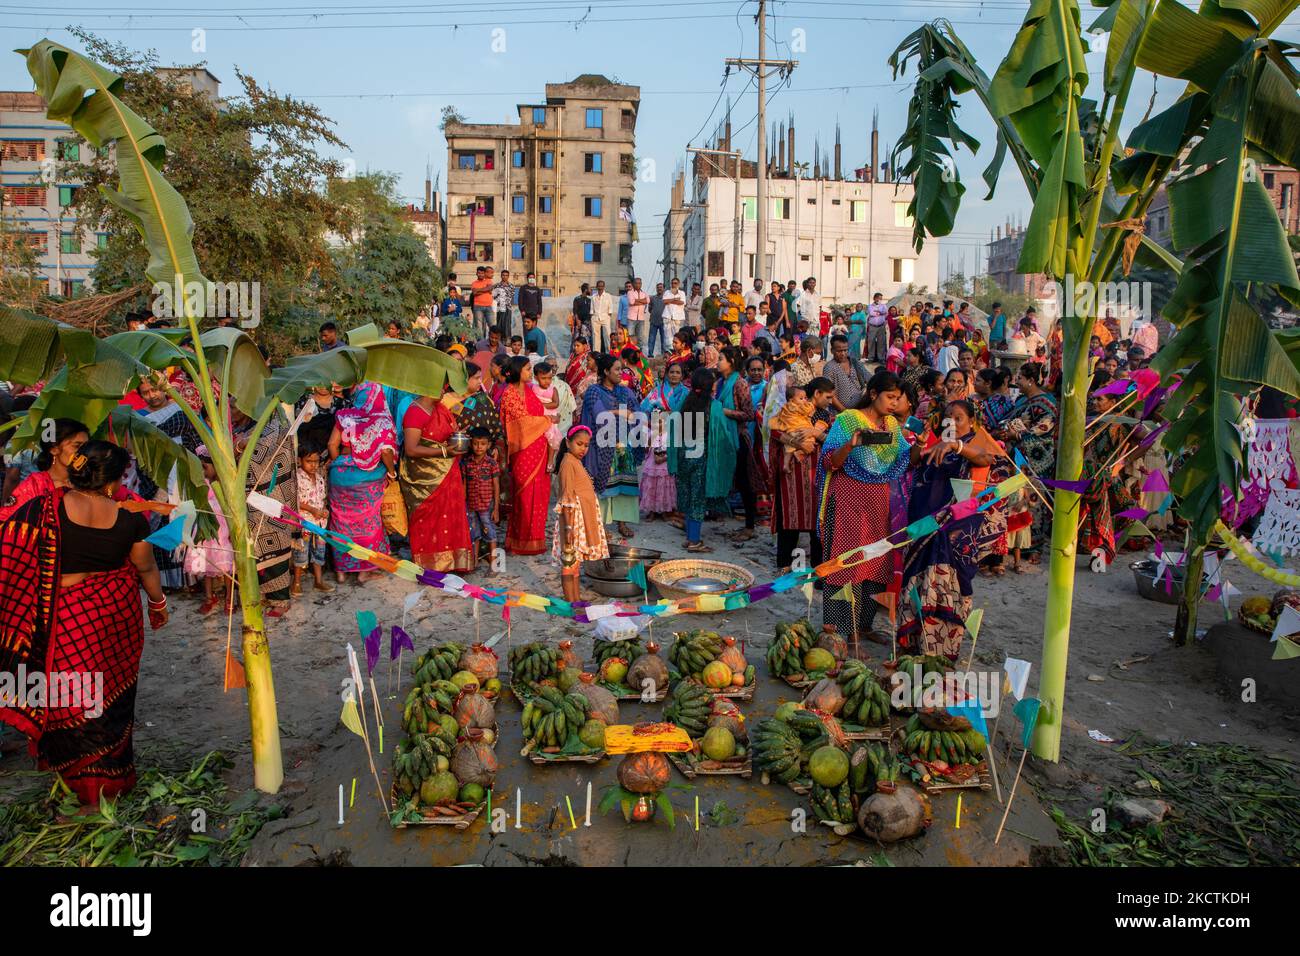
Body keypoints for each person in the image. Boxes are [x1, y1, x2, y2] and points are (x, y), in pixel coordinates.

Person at [0, 440, 168, 805]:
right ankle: (108, 784)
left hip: (65, 622)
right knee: (105, 702)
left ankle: (87, 793)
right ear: (114, 481)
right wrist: (158, 603)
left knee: (70, 699)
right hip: (113, 621)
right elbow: (145, 567)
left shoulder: (45, 509)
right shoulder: (131, 519)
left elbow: (10, 545)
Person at [895, 400, 998, 660]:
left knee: (949, 584)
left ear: (972, 421)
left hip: (954, 531)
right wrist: (920, 443)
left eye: (959, 417)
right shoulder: (938, 441)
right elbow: (912, 465)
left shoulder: (976, 442)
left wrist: (957, 446)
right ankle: (914, 641)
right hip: (922, 524)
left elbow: (987, 458)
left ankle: (941, 651)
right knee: (917, 582)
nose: (952, 422)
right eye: (948, 418)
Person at [817, 371, 911, 642]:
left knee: (875, 561)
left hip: (877, 505)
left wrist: (926, 443)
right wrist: (852, 443)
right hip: (847, 502)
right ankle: (841, 631)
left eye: (898, 399)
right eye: (890, 397)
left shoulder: (891, 425)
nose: (894, 403)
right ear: (873, 394)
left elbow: (905, 458)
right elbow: (829, 462)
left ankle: (864, 625)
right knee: (845, 563)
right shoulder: (848, 420)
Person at [328, 383, 397, 585]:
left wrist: (341, 464)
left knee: (341, 523)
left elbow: (332, 444)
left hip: (340, 475)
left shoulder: (344, 415)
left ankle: (341, 571)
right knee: (368, 523)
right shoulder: (382, 420)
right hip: (367, 477)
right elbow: (386, 452)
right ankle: (363, 571)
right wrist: (391, 474)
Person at [401, 388, 474, 571]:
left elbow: (444, 436)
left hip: (449, 473)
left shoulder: (440, 408)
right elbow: (411, 449)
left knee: (450, 516)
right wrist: (444, 451)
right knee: (428, 519)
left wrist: (458, 435)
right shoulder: (415, 411)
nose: (444, 390)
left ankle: (453, 563)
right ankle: (431, 566)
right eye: (441, 386)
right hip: (425, 479)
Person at [580, 352, 642, 538]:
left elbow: (636, 413)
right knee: (604, 486)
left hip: (624, 446)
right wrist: (621, 412)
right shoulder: (593, 391)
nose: (621, 374)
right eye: (616, 370)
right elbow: (600, 416)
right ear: (605, 371)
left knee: (624, 487)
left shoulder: (625, 391)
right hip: (602, 447)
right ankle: (603, 525)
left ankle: (622, 523)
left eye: (621, 370)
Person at [1004, 362, 1057, 562]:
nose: (1016, 381)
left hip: (1038, 458)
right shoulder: (1020, 401)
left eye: (1020, 378)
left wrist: (1016, 434)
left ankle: (1034, 546)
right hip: (1017, 457)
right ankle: (1016, 543)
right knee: (1017, 499)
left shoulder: (1047, 403)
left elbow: (1043, 427)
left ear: (1031, 381)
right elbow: (1010, 420)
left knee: (1035, 501)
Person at [498, 355, 551, 555]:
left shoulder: (529, 390)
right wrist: (547, 420)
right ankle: (519, 541)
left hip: (540, 448)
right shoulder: (509, 394)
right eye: (528, 369)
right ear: (518, 371)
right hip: (522, 451)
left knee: (539, 495)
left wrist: (544, 420)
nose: (531, 372)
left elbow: (534, 416)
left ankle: (536, 540)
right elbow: (521, 424)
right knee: (523, 494)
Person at [553, 425, 608, 601]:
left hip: (580, 520)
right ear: (568, 443)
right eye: (579, 444)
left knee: (575, 563)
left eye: (586, 445)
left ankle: (576, 600)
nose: (583, 448)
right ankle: (571, 603)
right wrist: (568, 529)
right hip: (573, 521)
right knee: (569, 562)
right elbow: (567, 499)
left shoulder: (574, 461)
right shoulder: (568, 463)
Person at [671, 368, 716, 552]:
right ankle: (694, 541)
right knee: (697, 499)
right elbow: (718, 433)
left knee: (688, 496)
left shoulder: (685, 401)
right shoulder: (712, 406)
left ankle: (690, 537)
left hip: (683, 455)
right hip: (700, 457)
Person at [639, 362, 686, 521]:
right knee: (652, 472)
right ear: (666, 374)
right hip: (656, 433)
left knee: (669, 474)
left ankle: (666, 508)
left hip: (675, 434)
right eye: (671, 372)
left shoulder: (686, 393)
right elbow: (644, 409)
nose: (674, 375)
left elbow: (689, 414)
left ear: (682, 375)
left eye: (678, 372)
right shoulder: (656, 391)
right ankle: (651, 509)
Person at [292, 442, 334, 596]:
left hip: (320, 524)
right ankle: (296, 582)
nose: (313, 465)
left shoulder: (320, 477)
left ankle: (318, 581)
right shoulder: (297, 477)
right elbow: (295, 501)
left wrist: (324, 510)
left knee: (319, 552)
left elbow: (322, 498)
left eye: (316, 461)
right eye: (309, 461)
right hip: (304, 523)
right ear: (300, 460)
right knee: (301, 552)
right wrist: (312, 510)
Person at [462, 426, 502, 566]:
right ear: (471, 444)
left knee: (489, 530)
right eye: (475, 443)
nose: (479, 447)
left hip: (487, 505)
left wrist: (496, 508)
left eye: (483, 444)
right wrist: (463, 503)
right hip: (471, 505)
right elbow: (465, 484)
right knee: (474, 532)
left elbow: (496, 486)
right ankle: (474, 560)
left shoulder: (492, 463)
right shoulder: (467, 463)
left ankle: (494, 559)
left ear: (489, 445)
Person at [824, 333, 870, 412]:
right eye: (839, 351)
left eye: (845, 350)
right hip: (840, 412)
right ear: (832, 351)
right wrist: (844, 411)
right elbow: (830, 394)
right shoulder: (829, 368)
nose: (843, 354)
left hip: (861, 408)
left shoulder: (855, 362)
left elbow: (870, 378)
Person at [470, 266, 495, 337]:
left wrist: (478, 290)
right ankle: (481, 343)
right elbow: (474, 293)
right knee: (479, 327)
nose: (480, 274)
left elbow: (490, 288)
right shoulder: (474, 283)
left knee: (492, 325)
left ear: (484, 274)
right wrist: (486, 290)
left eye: (482, 273)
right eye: (479, 273)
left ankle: (493, 340)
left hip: (488, 306)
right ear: (476, 274)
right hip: (478, 307)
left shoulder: (488, 281)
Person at [591, 279, 615, 352]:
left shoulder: (608, 296)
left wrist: (608, 315)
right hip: (595, 318)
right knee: (596, 337)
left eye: (602, 286)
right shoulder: (593, 297)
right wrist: (592, 316)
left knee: (608, 335)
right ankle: (596, 353)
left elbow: (610, 308)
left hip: (605, 317)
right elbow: (591, 309)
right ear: (596, 287)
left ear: (604, 287)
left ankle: (609, 352)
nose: (600, 287)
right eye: (599, 286)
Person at [662, 278, 686, 348]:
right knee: (668, 338)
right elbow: (664, 302)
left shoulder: (682, 293)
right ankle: (669, 353)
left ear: (678, 284)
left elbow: (682, 302)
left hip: (678, 318)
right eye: (672, 283)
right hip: (668, 317)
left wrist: (669, 301)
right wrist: (675, 299)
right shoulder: (667, 292)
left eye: (675, 283)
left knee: (678, 337)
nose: (673, 285)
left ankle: (677, 353)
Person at [627, 277, 650, 349]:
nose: (638, 285)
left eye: (639, 283)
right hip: (631, 318)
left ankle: (640, 355)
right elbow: (631, 302)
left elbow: (648, 301)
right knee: (630, 337)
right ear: (633, 284)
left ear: (641, 284)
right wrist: (642, 301)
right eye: (636, 283)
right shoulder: (630, 292)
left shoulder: (644, 293)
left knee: (640, 338)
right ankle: (630, 354)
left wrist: (636, 300)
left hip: (641, 318)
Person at [866, 292, 889, 363]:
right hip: (872, 326)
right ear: (874, 298)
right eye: (878, 298)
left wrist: (879, 311)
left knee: (881, 343)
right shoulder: (870, 306)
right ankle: (871, 358)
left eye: (880, 299)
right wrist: (880, 313)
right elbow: (871, 313)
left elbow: (885, 312)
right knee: (871, 342)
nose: (879, 300)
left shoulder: (884, 305)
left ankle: (881, 358)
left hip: (881, 326)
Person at [493, 268, 516, 339]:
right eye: (503, 275)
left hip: (508, 307)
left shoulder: (511, 286)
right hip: (500, 308)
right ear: (501, 276)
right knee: (499, 324)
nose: (505, 277)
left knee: (507, 324)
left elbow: (512, 297)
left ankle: (508, 339)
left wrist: (510, 306)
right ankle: (499, 339)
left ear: (508, 276)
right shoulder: (497, 286)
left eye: (506, 275)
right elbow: (494, 296)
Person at [647, 281, 668, 357]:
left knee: (664, 339)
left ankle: (663, 354)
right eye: (658, 287)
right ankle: (650, 354)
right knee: (651, 339)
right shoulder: (652, 298)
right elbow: (650, 309)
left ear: (664, 289)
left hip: (663, 322)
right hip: (653, 321)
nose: (659, 289)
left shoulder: (666, 298)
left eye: (661, 287)